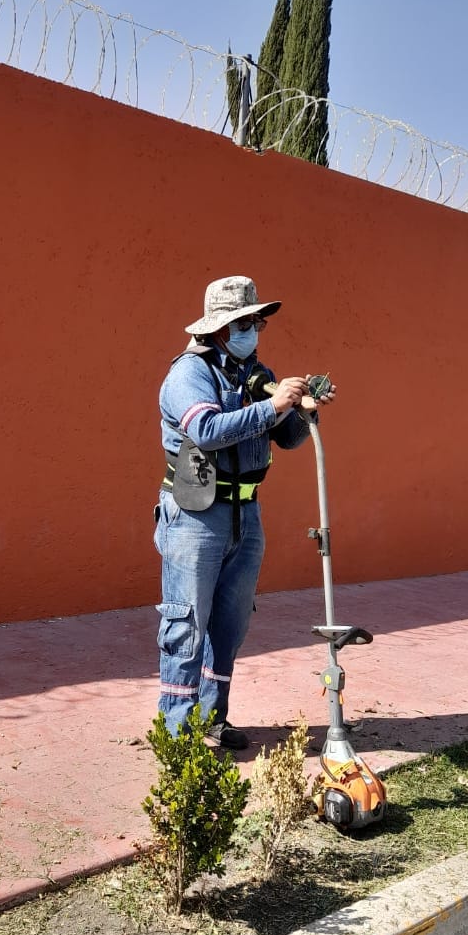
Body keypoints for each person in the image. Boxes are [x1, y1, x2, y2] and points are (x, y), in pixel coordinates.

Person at [154, 275, 337, 749]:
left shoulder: (253, 374)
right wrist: (273, 404)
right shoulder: (188, 374)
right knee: (186, 623)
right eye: (244, 322)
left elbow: (288, 439)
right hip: (196, 515)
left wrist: (303, 411)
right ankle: (177, 734)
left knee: (230, 624)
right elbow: (209, 430)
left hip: (245, 515)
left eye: (257, 322)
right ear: (219, 327)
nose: (252, 330)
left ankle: (213, 718)